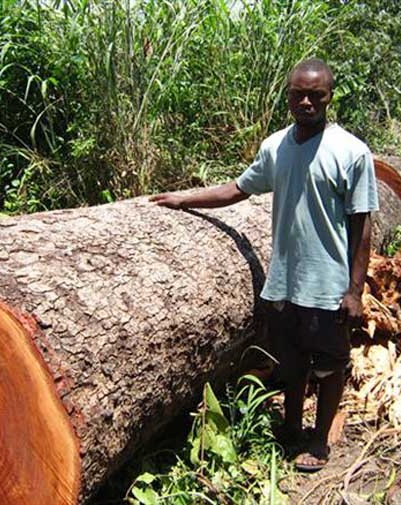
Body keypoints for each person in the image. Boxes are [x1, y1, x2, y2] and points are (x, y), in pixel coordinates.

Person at [151, 58, 378, 471]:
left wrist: (355, 290)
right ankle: (291, 428)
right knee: (291, 363)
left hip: (329, 285)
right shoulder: (275, 147)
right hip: (284, 283)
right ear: (288, 95)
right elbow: (238, 189)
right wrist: (184, 198)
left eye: (316, 95)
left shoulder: (352, 152)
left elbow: (362, 227)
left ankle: (320, 443)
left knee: (329, 367)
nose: (306, 101)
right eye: (298, 94)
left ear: (330, 96)